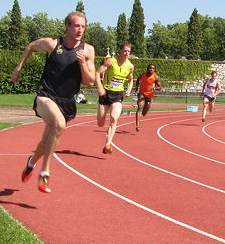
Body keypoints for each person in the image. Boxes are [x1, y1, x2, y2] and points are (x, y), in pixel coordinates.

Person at [11, 11, 96, 193]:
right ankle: (45, 173)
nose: (80, 30)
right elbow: (31, 46)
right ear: (67, 26)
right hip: (45, 97)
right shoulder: (53, 44)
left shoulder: (87, 50)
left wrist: (82, 64)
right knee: (59, 124)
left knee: (45, 142)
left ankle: (31, 162)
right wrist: (18, 69)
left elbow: (90, 81)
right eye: (76, 26)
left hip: (66, 102)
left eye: (83, 26)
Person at [96, 43, 134, 154]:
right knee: (100, 123)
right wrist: (100, 88)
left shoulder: (130, 66)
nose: (127, 53)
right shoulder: (111, 61)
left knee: (114, 118)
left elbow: (131, 80)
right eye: (125, 51)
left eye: (129, 51)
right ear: (120, 50)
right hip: (105, 94)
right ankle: (100, 116)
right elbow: (97, 73)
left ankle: (108, 144)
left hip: (118, 95)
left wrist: (128, 90)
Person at [135, 64, 161, 131]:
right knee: (140, 107)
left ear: (154, 70)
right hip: (142, 94)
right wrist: (136, 88)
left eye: (153, 68)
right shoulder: (142, 75)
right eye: (150, 68)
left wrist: (154, 88)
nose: (151, 69)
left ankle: (143, 113)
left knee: (144, 113)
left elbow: (160, 87)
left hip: (149, 95)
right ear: (147, 69)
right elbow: (138, 80)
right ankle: (137, 125)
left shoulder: (155, 77)